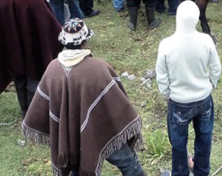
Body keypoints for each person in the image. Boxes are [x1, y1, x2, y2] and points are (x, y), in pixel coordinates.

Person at [24, 18, 146, 176]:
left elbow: (41, 107)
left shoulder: (52, 68)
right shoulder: (98, 67)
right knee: (128, 162)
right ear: (85, 41)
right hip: (101, 130)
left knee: (76, 164)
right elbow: (117, 101)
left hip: (68, 133)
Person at [156, 1, 221, 176]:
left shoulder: (166, 45)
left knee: (178, 143)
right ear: (196, 19)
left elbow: (161, 76)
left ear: (177, 18)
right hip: (203, 100)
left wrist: (166, 94)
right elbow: (216, 68)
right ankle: (201, 171)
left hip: (178, 103)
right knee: (204, 138)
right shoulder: (206, 40)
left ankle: (181, 173)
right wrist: (210, 84)